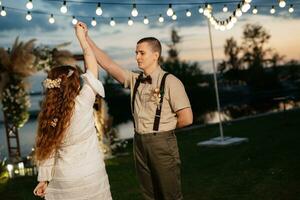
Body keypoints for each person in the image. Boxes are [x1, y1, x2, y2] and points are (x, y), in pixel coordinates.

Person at [77, 21, 193, 200]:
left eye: (142, 53)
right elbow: (108, 65)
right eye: (136, 53)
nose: (137, 57)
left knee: (169, 194)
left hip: (162, 142)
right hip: (139, 141)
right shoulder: (135, 79)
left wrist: (163, 130)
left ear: (155, 55)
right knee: (149, 193)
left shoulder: (171, 82)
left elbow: (187, 118)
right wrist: (86, 38)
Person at [33, 23, 112, 200]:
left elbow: (48, 151)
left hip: (66, 181)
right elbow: (92, 68)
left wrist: (44, 180)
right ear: (75, 84)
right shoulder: (84, 101)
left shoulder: (49, 114)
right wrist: (82, 38)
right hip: (92, 175)